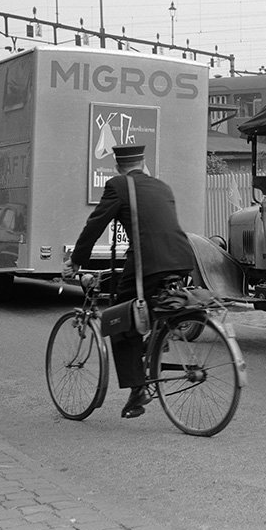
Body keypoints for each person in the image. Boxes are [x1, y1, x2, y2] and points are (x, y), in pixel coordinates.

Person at [64, 144, 196, 419]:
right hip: (182, 258)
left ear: (117, 166)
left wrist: (77, 259)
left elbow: (95, 224)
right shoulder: (162, 186)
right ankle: (156, 340)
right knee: (149, 306)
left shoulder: (118, 186)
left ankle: (138, 391)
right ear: (143, 162)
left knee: (119, 320)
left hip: (148, 263)